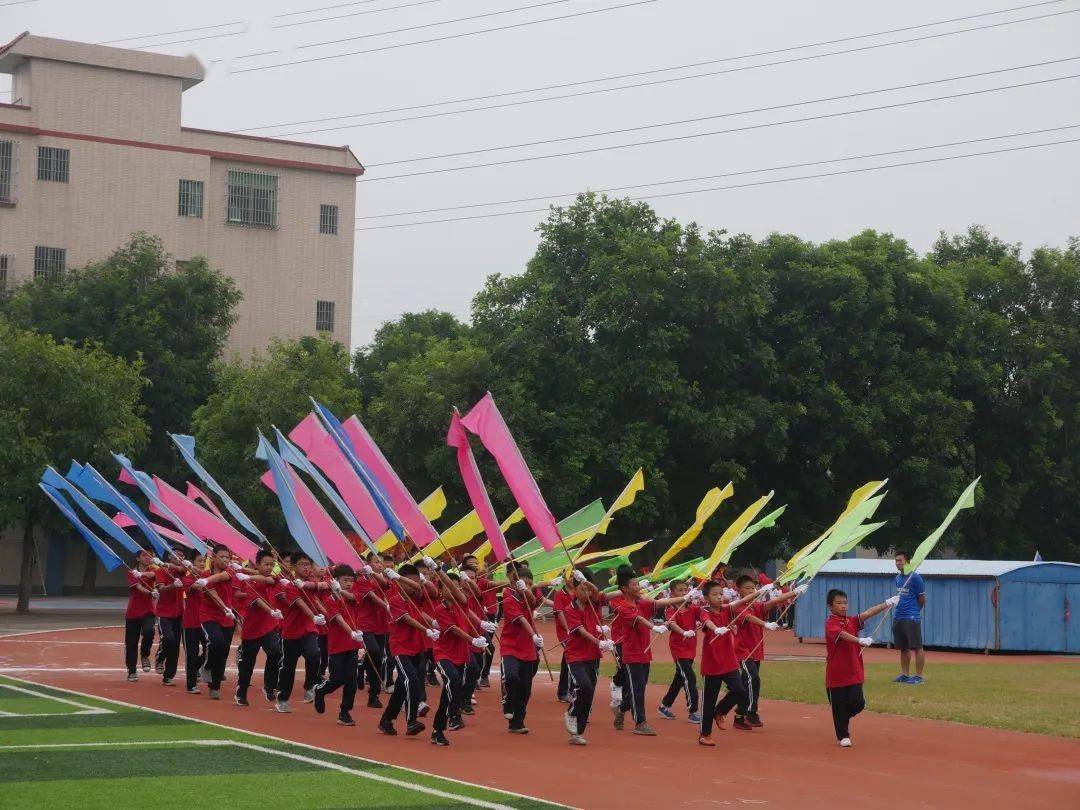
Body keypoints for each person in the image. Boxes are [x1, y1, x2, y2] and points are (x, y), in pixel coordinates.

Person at [610, 569, 691, 736]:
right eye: (635, 584)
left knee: (638, 688)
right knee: (637, 690)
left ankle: (621, 709)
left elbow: (661, 602)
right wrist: (654, 627)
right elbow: (638, 619)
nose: (638, 587)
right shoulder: (623, 607)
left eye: (638, 583)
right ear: (625, 589)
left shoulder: (642, 603)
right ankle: (640, 722)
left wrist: (685, 598)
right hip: (631, 654)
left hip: (645, 653)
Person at [696, 579, 768, 745]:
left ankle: (720, 711)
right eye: (715, 595)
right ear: (706, 598)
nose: (719, 597)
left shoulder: (728, 609)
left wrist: (763, 590)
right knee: (708, 699)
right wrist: (716, 629)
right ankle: (704, 734)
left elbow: (742, 601)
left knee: (740, 690)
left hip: (729, 661)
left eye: (721, 594)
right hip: (712, 664)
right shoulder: (704, 611)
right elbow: (707, 621)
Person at [825, 588, 899, 747]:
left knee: (858, 702)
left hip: (854, 670)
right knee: (838, 705)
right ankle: (843, 735)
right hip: (837, 674)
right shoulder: (830, 624)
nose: (843, 606)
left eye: (845, 602)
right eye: (838, 603)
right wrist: (859, 640)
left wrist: (887, 603)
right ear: (830, 606)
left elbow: (868, 613)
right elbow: (842, 635)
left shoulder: (851, 620)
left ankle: (842, 718)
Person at [731, 574, 805, 728]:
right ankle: (751, 713)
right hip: (743, 651)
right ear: (739, 591)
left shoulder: (757, 606)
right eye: (747, 588)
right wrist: (765, 623)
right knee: (753, 679)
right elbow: (749, 618)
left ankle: (739, 716)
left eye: (753, 588)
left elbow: (773, 602)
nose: (751, 590)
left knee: (749, 683)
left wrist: (795, 592)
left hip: (756, 650)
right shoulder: (738, 606)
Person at [425, 563, 488, 746]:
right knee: (452, 681)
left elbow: (460, 594)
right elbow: (453, 630)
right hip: (443, 654)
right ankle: (454, 715)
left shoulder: (462, 602)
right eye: (448, 587)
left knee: (449, 691)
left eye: (456, 587)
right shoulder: (440, 609)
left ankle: (438, 729)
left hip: (460, 654)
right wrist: (472, 640)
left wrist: (481, 628)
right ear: (441, 590)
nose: (453, 590)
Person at [379, 563, 437, 737]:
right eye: (408, 582)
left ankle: (386, 720)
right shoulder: (395, 599)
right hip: (400, 647)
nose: (413, 586)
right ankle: (411, 721)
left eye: (414, 582)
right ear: (400, 581)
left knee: (401, 688)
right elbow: (407, 619)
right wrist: (426, 629)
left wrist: (404, 578)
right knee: (411, 680)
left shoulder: (415, 597)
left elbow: (426, 590)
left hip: (415, 647)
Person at [561, 569, 610, 746]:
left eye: (588, 589)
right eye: (582, 589)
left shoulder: (593, 603)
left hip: (592, 656)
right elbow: (580, 631)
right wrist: (598, 642)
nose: (587, 593)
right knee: (584, 686)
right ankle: (571, 712)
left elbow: (596, 592)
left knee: (589, 694)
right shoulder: (570, 608)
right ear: (574, 591)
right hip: (575, 655)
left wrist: (586, 583)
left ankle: (577, 733)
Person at [314, 564, 366, 726]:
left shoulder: (354, 595)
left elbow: (351, 598)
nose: (349, 583)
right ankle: (320, 690)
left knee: (351, 680)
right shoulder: (330, 600)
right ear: (336, 581)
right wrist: (350, 631)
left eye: (351, 580)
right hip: (338, 644)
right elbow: (338, 618)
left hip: (352, 644)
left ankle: (345, 712)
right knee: (337, 679)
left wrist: (340, 591)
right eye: (345, 580)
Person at [274, 552, 326, 713]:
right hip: (290, 633)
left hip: (308, 630)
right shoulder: (289, 586)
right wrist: (315, 617)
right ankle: (283, 698)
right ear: (294, 567)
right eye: (302, 564)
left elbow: (324, 586)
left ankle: (309, 686)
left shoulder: (311, 583)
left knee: (315, 654)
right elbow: (301, 604)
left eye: (308, 564)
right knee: (288, 667)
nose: (306, 568)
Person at [233, 550, 284, 706]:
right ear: (258, 565)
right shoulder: (248, 583)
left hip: (268, 626)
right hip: (252, 629)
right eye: (266, 564)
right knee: (248, 663)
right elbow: (256, 600)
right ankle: (241, 692)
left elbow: (267, 579)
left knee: (276, 652)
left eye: (271, 564)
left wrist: (248, 573)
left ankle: (269, 687)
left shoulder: (272, 578)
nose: (269, 567)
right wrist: (271, 610)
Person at [500, 566, 544, 734]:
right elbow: (523, 620)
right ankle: (507, 701)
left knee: (525, 688)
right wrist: (534, 635)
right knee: (511, 676)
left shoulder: (531, 595)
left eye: (529, 584)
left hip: (528, 648)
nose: (526, 586)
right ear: (514, 583)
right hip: (510, 645)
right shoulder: (508, 597)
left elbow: (534, 602)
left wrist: (527, 590)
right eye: (523, 583)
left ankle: (517, 722)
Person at [193, 544, 237, 700]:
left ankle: (215, 685)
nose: (225, 559)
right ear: (214, 557)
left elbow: (220, 577)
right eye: (222, 556)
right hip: (209, 616)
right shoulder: (205, 574)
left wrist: (205, 580)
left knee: (223, 653)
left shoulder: (230, 571)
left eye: (227, 557)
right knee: (216, 642)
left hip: (227, 617)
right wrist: (224, 607)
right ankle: (206, 666)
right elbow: (212, 594)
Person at [658, 579, 701, 723]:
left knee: (680, 678)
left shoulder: (693, 607)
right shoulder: (670, 609)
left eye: (685, 590)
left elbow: (703, 616)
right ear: (672, 593)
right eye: (680, 590)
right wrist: (683, 632)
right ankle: (693, 711)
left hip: (690, 647)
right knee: (689, 677)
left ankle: (665, 705)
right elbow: (672, 623)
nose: (684, 593)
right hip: (679, 648)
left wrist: (702, 622)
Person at [353, 554, 391, 709]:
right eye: (376, 562)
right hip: (365, 622)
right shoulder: (361, 580)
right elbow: (372, 596)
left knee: (378, 656)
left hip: (380, 623)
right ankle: (364, 670)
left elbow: (386, 584)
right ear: (368, 563)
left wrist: (374, 573)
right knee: (374, 651)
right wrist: (387, 606)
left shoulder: (379, 578)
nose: (380, 565)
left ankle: (373, 694)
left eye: (381, 562)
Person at [891, 552, 927, 684]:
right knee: (903, 647)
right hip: (898, 616)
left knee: (917, 647)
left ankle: (918, 676)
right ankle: (905, 675)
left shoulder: (916, 578)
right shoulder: (897, 578)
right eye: (896, 561)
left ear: (907, 562)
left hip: (911, 616)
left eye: (900, 560)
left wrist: (915, 612)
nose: (897, 563)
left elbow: (922, 598)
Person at [152, 550, 186, 686]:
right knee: (168, 638)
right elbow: (161, 589)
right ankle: (160, 657)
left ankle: (168, 676)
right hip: (164, 612)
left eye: (182, 555)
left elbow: (184, 569)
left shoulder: (181, 571)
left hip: (179, 613)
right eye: (177, 554)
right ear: (170, 556)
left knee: (175, 646)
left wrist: (173, 566)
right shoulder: (161, 571)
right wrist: (173, 585)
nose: (180, 557)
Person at [124, 550, 157, 682]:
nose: (147, 558)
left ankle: (145, 655)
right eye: (144, 555)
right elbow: (138, 588)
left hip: (148, 610)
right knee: (131, 642)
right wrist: (151, 593)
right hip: (133, 612)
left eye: (150, 555)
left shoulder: (154, 570)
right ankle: (131, 671)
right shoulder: (131, 572)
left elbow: (155, 574)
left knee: (149, 631)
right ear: (138, 558)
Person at [179, 551, 207, 694]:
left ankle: (197, 667)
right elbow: (196, 587)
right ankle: (191, 685)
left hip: (205, 621)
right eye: (199, 561)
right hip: (190, 622)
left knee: (211, 646)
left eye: (204, 561)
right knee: (192, 653)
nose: (202, 564)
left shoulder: (208, 577)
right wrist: (200, 576)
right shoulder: (187, 579)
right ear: (192, 562)